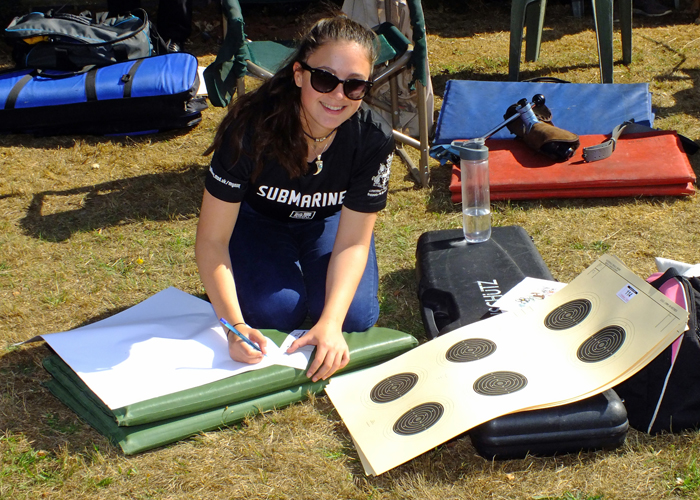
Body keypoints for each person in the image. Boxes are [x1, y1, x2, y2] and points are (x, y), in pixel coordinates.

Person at [195, 15, 394, 383]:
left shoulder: (372, 137)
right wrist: (233, 325)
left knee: (354, 318)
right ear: (300, 74)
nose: (337, 95)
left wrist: (331, 325)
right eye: (324, 79)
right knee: (274, 312)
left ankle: (309, 281)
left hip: (327, 222)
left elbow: (352, 241)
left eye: (354, 86)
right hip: (257, 221)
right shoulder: (251, 129)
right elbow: (211, 239)